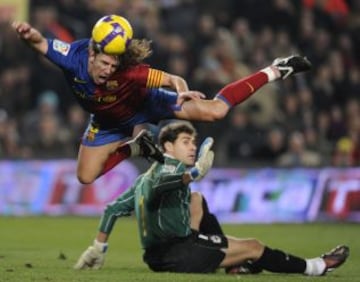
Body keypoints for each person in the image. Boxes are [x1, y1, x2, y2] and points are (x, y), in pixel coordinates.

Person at [12, 14, 312, 185]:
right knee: (86, 176)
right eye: (104, 63)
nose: (108, 70)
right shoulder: (71, 58)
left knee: (216, 111)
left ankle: (276, 69)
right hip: (107, 122)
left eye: (114, 65)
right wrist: (26, 33)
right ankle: (136, 148)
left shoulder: (130, 72)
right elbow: (39, 42)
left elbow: (169, 78)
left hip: (147, 103)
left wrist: (181, 91)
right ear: (91, 52)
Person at [74, 121, 349, 276]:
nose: (193, 147)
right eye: (186, 142)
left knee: (197, 201)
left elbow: (111, 209)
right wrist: (191, 175)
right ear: (168, 146)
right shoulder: (170, 169)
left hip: (162, 252)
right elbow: (163, 185)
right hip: (176, 254)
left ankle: (233, 265)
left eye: (194, 143)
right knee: (254, 246)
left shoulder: (142, 178)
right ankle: (316, 267)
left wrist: (99, 247)